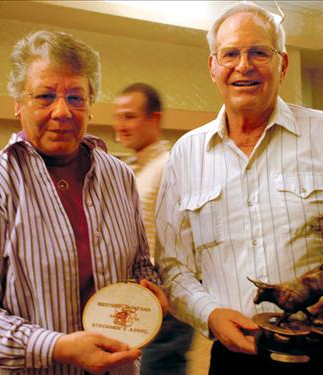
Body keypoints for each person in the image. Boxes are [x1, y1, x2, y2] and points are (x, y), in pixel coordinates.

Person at [155, 3, 323, 375]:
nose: (244, 65)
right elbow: (172, 265)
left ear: (282, 65)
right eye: (231, 54)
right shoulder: (185, 156)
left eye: (259, 52)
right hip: (236, 360)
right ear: (213, 66)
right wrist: (209, 315)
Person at [0, 30, 168, 375]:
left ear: (91, 104)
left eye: (76, 97)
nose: (62, 111)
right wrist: (56, 346)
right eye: (45, 96)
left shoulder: (118, 177)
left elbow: (138, 265)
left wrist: (151, 292)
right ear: (18, 103)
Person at [113, 83, 194, 375]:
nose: (120, 125)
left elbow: (186, 233)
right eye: (118, 116)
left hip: (165, 296)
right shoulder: (131, 168)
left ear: (154, 119)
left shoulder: (170, 165)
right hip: (138, 296)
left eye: (130, 116)